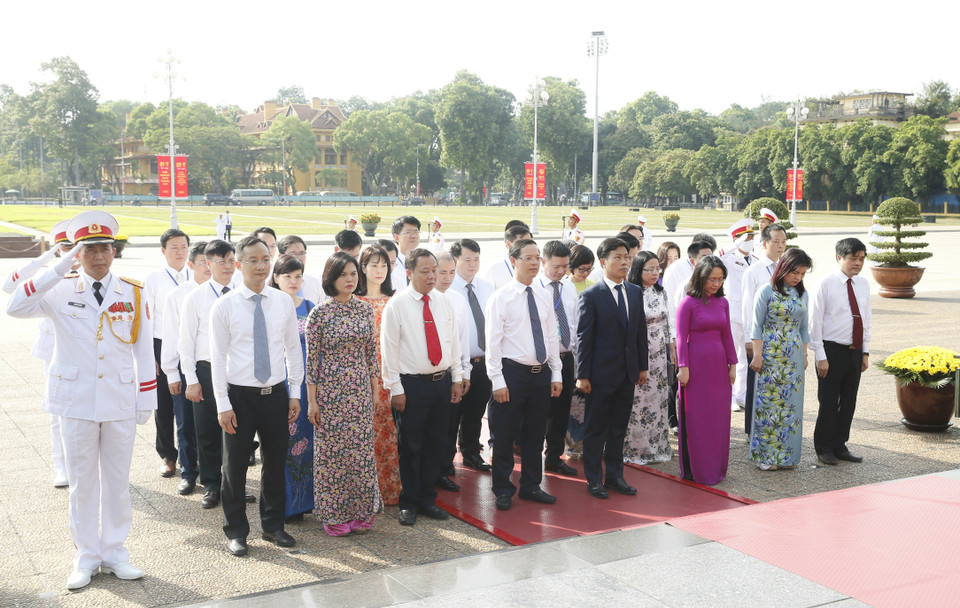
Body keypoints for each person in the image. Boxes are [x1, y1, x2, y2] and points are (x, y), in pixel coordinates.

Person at [7, 211, 157, 590]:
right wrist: (56, 270)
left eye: (105, 248)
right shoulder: (59, 289)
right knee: (83, 483)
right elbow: (15, 307)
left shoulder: (133, 292)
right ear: (77, 253)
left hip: (120, 398)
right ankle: (86, 556)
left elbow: (144, 351)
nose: (99, 256)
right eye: (89, 249)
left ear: (114, 250)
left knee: (118, 481)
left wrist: (146, 399)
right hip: (75, 400)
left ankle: (116, 552)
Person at [210, 236, 302, 557]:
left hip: (276, 394)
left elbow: (292, 348)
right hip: (240, 397)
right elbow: (217, 358)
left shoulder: (282, 302)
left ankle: (273, 525)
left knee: (276, 462)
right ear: (239, 265)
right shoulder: (224, 306)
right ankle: (236, 530)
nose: (261, 265)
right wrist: (223, 404)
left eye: (266, 259)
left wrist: (295, 393)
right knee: (234, 467)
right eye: (253, 260)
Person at [381, 249, 463, 526]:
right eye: (424, 271)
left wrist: (456, 377)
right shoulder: (397, 304)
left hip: (440, 383)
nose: (431, 276)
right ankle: (409, 502)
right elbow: (388, 350)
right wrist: (395, 389)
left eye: (434, 270)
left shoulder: (443, 301)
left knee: (435, 444)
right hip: (411, 386)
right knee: (410, 446)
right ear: (409, 272)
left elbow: (452, 341)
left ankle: (428, 499)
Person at [306, 252, 382, 535]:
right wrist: (312, 402)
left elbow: (370, 354)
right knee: (332, 456)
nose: (349, 280)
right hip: (330, 395)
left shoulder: (364, 310)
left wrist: (375, 392)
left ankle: (362, 510)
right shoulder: (319, 314)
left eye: (353, 274)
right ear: (331, 278)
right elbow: (311, 362)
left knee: (360, 454)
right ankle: (334, 514)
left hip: (360, 393)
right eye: (343, 275)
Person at [486, 239, 563, 510]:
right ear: (513, 261)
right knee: (505, 435)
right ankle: (503, 489)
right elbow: (493, 343)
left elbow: (551, 336)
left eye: (537, 258)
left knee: (535, 434)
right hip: (511, 373)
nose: (534, 263)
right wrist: (497, 380)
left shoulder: (543, 294)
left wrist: (556, 373)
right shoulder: (501, 297)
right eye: (527, 257)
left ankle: (531, 485)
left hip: (540, 374)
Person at [2, 220, 74, 487]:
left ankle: (86, 465)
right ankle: (62, 466)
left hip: (85, 349)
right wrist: (45, 259)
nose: (72, 252)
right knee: (57, 411)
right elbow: (9, 286)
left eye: (75, 246)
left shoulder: (93, 269)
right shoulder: (46, 271)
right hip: (53, 349)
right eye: (65, 247)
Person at [576, 237, 648, 499]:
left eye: (627, 257)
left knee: (619, 428)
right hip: (599, 375)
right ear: (604, 261)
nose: (624, 262)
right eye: (618, 257)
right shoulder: (592, 295)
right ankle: (594, 479)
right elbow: (585, 337)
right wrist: (582, 374)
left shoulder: (635, 292)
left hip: (628, 374)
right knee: (596, 429)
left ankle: (616, 476)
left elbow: (640, 332)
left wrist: (642, 366)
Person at [178, 239, 244, 510]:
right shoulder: (196, 297)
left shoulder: (242, 291)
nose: (227, 266)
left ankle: (234, 485)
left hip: (238, 373)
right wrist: (191, 380)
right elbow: (185, 342)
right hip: (206, 371)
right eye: (221, 261)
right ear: (207, 264)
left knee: (237, 431)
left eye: (231, 260)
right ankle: (212, 484)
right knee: (207, 431)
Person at [809, 238, 872, 466]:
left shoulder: (863, 284)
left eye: (862, 259)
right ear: (839, 258)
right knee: (828, 401)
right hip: (831, 350)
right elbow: (814, 323)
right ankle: (823, 446)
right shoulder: (825, 283)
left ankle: (840, 444)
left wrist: (865, 352)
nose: (858, 263)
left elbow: (866, 319)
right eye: (853, 258)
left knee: (848, 401)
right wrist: (820, 356)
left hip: (854, 352)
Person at [675, 256, 738, 486]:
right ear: (700, 277)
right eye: (712, 279)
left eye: (720, 279)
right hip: (695, 366)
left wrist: (733, 364)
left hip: (719, 366)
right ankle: (697, 469)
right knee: (697, 418)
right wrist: (683, 367)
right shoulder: (688, 303)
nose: (716, 284)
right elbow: (681, 338)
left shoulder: (723, 303)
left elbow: (727, 334)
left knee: (718, 418)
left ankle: (716, 466)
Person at [748, 248, 811, 470]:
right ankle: (767, 457)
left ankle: (786, 456)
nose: (798, 277)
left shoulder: (803, 294)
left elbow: (804, 329)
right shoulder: (766, 291)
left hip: (793, 356)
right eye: (795, 272)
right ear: (783, 268)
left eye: (803, 273)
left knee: (791, 407)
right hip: (770, 355)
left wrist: (804, 355)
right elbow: (756, 326)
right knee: (769, 404)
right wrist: (757, 355)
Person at [159, 240, 209, 496]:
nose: (209, 267)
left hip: (214, 368)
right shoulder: (178, 295)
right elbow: (170, 337)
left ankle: (217, 476)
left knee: (214, 425)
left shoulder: (226, 290)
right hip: (184, 366)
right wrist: (171, 373)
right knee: (186, 424)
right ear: (191, 265)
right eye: (203, 262)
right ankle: (189, 472)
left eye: (214, 261)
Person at [269, 254, 316, 519]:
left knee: (306, 441)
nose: (293, 281)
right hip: (279, 382)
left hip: (305, 384)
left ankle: (305, 501)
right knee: (283, 442)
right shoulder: (269, 305)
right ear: (276, 278)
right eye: (287, 276)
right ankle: (284, 503)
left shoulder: (309, 307)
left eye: (298, 276)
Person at [355, 245, 401, 505]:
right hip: (363, 379)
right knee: (366, 436)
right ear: (362, 267)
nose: (379, 271)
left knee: (391, 435)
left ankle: (392, 490)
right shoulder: (354, 301)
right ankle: (366, 493)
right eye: (373, 265)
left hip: (392, 376)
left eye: (384, 265)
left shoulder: (396, 300)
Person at [144, 228, 191, 480]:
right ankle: (168, 455)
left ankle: (189, 455)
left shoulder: (196, 275)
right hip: (161, 344)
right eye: (174, 247)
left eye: (183, 246)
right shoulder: (154, 279)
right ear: (163, 251)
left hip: (192, 345)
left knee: (191, 402)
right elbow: (144, 319)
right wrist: (148, 355)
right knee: (163, 404)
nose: (179, 252)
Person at [623, 251, 674, 465]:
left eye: (657, 269)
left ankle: (657, 446)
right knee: (639, 401)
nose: (655, 273)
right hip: (639, 351)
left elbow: (668, 322)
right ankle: (636, 449)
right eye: (650, 269)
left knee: (659, 400)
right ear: (638, 269)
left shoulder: (661, 292)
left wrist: (672, 348)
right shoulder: (631, 292)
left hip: (660, 354)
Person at [449, 239, 495, 473]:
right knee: (452, 414)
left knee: (476, 412)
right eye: (467, 259)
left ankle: (470, 453)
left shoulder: (486, 287)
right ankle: (446, 460)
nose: (473, 264)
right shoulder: (447, 289)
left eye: (476, 259)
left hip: (483, 362)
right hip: (456, 365)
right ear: (455, 260)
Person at [535, 241, 580, 476]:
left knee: (561, 411)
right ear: (543, 263)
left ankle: (554, 457)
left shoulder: (569, 287)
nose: (561, 271)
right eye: (556, 266)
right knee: (539, 411)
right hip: (542, 359)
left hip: (565, 357)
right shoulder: (534, 288)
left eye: (565, 266)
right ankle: (530, 460)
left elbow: (573, 323)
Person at [741, 223, 787, 434]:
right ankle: (753, 428)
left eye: (783, 242)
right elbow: (748, 305)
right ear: (764, 243)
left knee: (775, 385)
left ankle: (772, 424)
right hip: (759, 337)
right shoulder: (754, 271)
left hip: (780, 337)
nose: (780, 246)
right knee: (756, 383)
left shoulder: (785, 270)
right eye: (776, 241)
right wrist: (750, 339)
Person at [435, 251, 472, 491]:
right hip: (427, 373)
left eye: (451, 272)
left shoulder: (458, 299)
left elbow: (463, 338)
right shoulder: (421, 298)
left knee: (450, 423)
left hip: (452, 371)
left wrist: (464, 371)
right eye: (442, 272)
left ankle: (445, 467)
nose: (447, 278)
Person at [719, 219, 757, 412]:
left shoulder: (756, 260)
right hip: (733, 314)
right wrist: (735, 243)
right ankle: (731, 395)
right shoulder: (729, 258)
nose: (750, 240)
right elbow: (717, 258)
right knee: (732, 358)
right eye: (747, 237)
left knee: (746, 357)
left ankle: (742, 395)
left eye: (752, 237)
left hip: (750, 317)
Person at [480, 224, 533, 290]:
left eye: (530, 242)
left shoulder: (534, 266)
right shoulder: (494, 269)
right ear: (509, 244)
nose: (528, 247)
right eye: (523, 243)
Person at [278, 235, 322, 304]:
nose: (298, 258)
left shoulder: (314, 283)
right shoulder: (271, 285)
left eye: (302, 253)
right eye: (293, 253)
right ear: (280, 257)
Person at [390, 216, 421, 291]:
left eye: (416, 232)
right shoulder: (390, 264)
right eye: (408, 232)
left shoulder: (424, 261)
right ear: (396, 237)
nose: (413, 236)